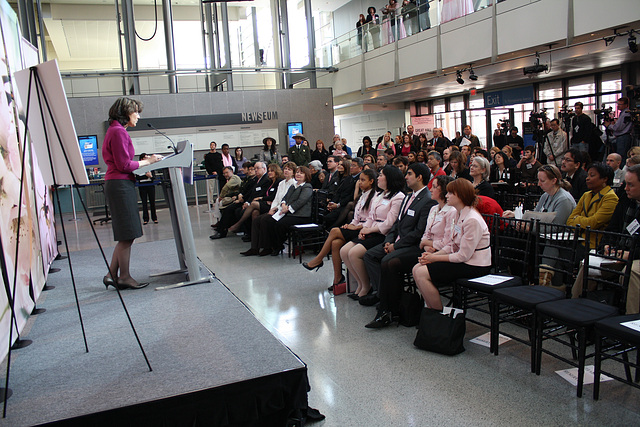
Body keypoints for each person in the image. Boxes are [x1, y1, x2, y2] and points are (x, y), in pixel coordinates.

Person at [102, 97, 160, 290]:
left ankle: (112, 274)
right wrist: (149, 161)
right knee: (127, 234)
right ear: (126, 112)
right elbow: (124, 165)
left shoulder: (115, 130)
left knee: (127, 234)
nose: (138, 116)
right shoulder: (118, 132)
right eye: (136, 112)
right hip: (119, 184)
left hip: (118, 183)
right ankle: (124, 277)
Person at [411, 178, 491, 312]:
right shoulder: (455, 213)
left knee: (421, 273)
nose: (446, 195)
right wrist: (432, 255)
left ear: (460, 195)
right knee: (416, 268)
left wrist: (434, 258)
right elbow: (452, 244)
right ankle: (431, 312)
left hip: (475, 265)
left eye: (450, 193)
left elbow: (463, 256)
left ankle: (437, 314)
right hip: (462, 260)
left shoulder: (472, 219)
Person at [569, 164, 640, 314]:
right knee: (589, 263)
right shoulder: (625, 200)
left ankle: (630, 322)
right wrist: (607, 246)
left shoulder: (611, 198)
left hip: (635, 255)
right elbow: (611, 230)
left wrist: (630, 254)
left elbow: (594, 222)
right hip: (618, 252)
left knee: (632, 272)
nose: (626, 188)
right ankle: (574, 310)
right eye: (625, 184)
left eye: (631, 185)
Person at [361, 163, 435, 307]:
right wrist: (388, 242)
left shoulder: (427, 200)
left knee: (388, 260)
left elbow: (418, 232)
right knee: (370, 255)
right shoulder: (408, 196)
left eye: (409, 174)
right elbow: (396, 223)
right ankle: (380, 293)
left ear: (419, 177)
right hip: (396, 240)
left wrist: (396, 245)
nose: (405, 177)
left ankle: (388, 303)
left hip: (412, 245)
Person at [302, 169, 378, 288]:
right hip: (356, 226)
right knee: (336, 243)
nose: (360, 182)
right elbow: (356, 216)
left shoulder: (375, 197)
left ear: (371, 181)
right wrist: (350, 225)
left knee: (334, 231)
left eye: (363, 180)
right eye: (359, 180)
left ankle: (318, 259)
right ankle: (338, 278)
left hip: (365, 229)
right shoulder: (362, 196)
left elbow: (371, 219)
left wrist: (356, 227)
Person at [341, 166, 406, 298]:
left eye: (381, 175)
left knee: (354, 253)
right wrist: (364, 229)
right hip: (371, 230)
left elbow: (390, 223)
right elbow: (371, 216)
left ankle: (366, 285)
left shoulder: (398, 197)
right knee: (344, 251)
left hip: (383, 234)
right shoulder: (380, 194)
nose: (378, 178)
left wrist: (369, 229)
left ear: (390, 178)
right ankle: (359, 283)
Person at [240, 161, 297, 256]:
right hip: (276, 208)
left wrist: (276, 209)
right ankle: (254, 248)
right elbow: (276, 198)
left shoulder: (293, 184)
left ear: (293, 172)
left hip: (284, 210)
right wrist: (272, 208)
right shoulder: (282, 183)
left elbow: (287, 200)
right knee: (256, 220)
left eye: (289, 169)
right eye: (285, 169)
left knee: (264, 220)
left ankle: (268, 247)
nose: (286, 171)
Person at [258, 166, 314, 256]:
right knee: (270, 221)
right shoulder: (293, 186)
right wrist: (283, 205)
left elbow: (301, 201)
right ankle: (274, 246)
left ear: (306, 175)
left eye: (301, 173)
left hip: (301, 216)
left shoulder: (307, 187)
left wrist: (288, 209)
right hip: (290, 213)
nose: (298, 174)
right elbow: (285, 197)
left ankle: (279, 245)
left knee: (280, 224)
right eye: (297, 172)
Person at [566, 162, 618, 249]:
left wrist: (577, 219)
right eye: (588, 175)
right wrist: (583, 222)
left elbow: (593, 223)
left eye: (592, 175)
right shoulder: (586, 194)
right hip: (578, 240)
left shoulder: (610, 197)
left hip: (593, 245)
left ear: (605, 179)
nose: (587, 178)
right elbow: (569, 221)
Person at [504, 165, 575, 225]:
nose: (539, 184)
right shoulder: (545, 195)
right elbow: (535, 214)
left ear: (554, 181)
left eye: (542, 181)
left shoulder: (564, 199)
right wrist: (516, 214)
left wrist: (529, 228)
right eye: (538, 180)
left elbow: (557, 226)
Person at [228, 163, 283, 237]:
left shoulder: (278, 181)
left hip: (272, 205)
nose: (269, 172)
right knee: (255, 212)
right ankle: (256, 237)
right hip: (266, 202)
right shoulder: (270, 182)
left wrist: (261, 198)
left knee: (253, 204)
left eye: (271, 171)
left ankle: (239, 224)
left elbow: (274, 196)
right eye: (269, 171)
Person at [605, 96, 633, 161]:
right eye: (618, 104)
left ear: (626, 105)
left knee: (621, 156)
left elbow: (618, 127)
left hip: (623, 137)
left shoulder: (626, 114)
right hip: (621, 137)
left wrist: (609, 125)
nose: (618, 106)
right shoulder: (622, 113)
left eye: (620, 104)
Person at [136, 153, 157, 225]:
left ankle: (154, 218)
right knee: (144, 203)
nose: (147, 158)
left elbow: (154, 177)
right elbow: (138, 177)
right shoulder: (139, 167)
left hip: (150, 186)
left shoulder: (151, 166)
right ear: (141, 159)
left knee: (152, 202)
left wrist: (150, 176)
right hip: (142, 186)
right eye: (145, 157)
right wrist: (146, 175)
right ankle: (145, 219)